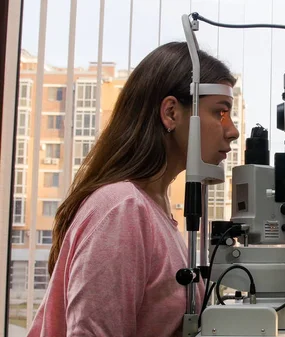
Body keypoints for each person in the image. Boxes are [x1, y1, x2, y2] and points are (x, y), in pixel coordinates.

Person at [27, 42, 239, 337]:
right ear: (171, 113)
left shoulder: (155, 212)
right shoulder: (121, 209)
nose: (233, 131)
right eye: (220, 113)